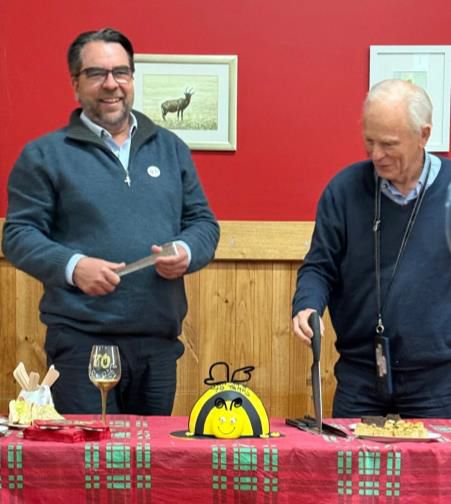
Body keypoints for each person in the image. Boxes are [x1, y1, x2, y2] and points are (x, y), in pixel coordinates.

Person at [2, 28, 220, 416]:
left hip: (157, 343)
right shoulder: (44, 155)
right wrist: (73, 267)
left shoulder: (171, 149)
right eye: (96, 74)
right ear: (75, 83)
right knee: (89, 455)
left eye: (121, 72)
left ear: (132, 78)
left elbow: (203, 223)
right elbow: (18, 235)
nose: (111, 84)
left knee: (151, 456)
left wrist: (187, 251)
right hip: (81, 344)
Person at [292, 79, 451, 418]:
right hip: (360, 378)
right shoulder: (344, 189)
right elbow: (319, 266)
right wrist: (307, 305)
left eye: (389, 144)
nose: (376, 154)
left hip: (439, 383)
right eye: (369, 141)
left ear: (423, 135)